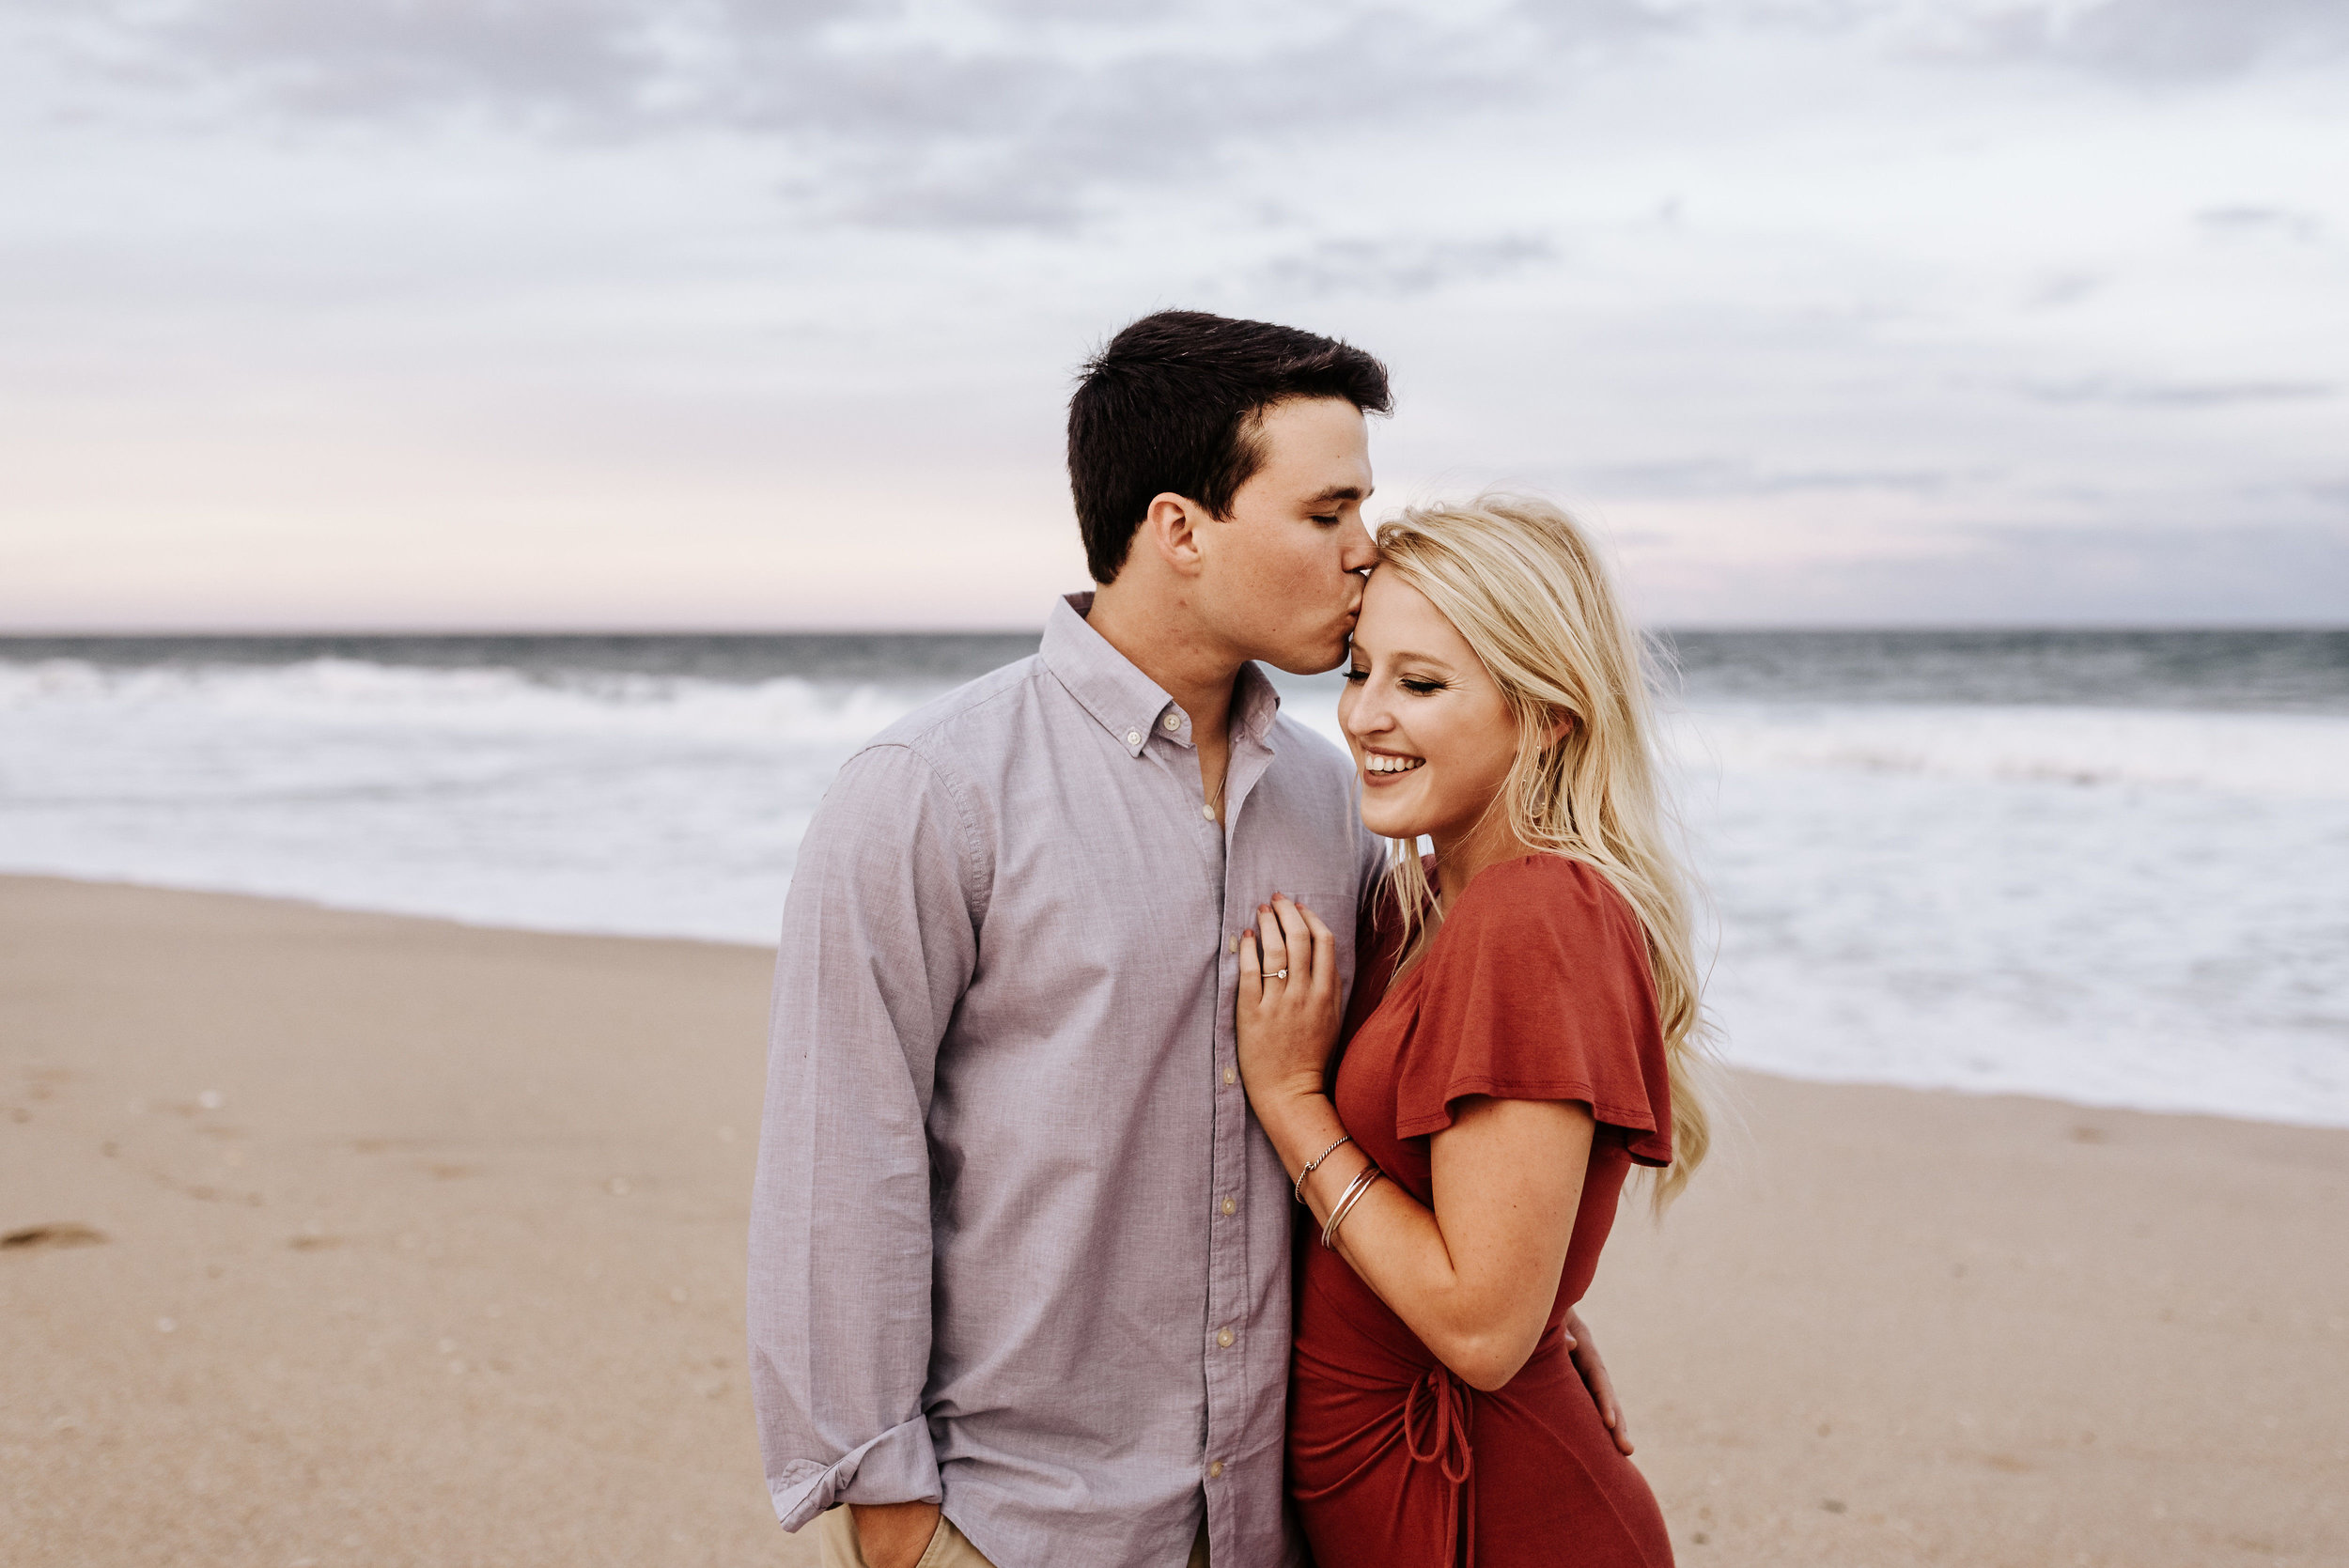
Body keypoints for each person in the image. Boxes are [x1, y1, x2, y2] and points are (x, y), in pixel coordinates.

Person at [747, 310, 1630, 1568]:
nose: (1365, 553)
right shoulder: (929, 795)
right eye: (1327, 515)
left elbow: (1411, 1119)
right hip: (1022, 1527)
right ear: (1179, 529)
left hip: (1272, 1523)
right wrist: (894, 1521)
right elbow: (842, 1170)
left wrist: (1520, 1316)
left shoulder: (1338, 806)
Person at [1236, 494, 1710, 1567]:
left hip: (1504, 1517)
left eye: (1422, 683)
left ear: (1546, 714)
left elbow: (1482, 1333)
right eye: (1360, 670)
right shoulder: (1424, 900)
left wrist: (1290, 1101)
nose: (1362, 717)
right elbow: (1484, 1255)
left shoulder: (1533, 913)